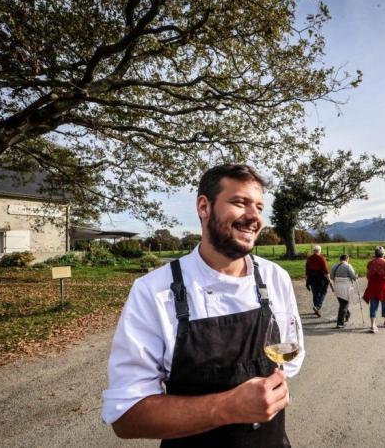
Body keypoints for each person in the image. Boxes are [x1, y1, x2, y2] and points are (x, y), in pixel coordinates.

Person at [102, 164, 305, 447]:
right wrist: (228, 407)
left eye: (259, 207)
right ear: (204, 207)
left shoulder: (276, 278)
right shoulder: (154, 291)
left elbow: (290, 359)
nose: (254, 217)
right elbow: (126, 417)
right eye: (239, 202)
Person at [362, 246, 385, 333]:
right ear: (383, 254)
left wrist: (373, 281)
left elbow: (368, 276)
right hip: (383, 286)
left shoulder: (370, 263)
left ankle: (373, 325)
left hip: (373, 286)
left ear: (375, 254)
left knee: (373, 305)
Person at [305, 245, 333, 317]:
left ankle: (316, 307)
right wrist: (329, 280)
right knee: (323, 292)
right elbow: (326, 270)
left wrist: (307, 282)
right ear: (319, 251)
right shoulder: (321, 258)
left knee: (315, 294)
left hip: (311, 278)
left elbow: (307, 271)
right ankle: (317, 306)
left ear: (313, 251)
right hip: (320, 278)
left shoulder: (309, 258)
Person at [331, 254, 357, 328]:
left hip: (337, 286)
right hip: (345, 286)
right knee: (344, 304)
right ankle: (340, 323)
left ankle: (347, 314)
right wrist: (356, 276)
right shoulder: (348, 266)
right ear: (347, 259)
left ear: (340, 259)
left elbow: (331, 277)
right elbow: (353, 276)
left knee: (342, 302)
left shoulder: (334, 266)